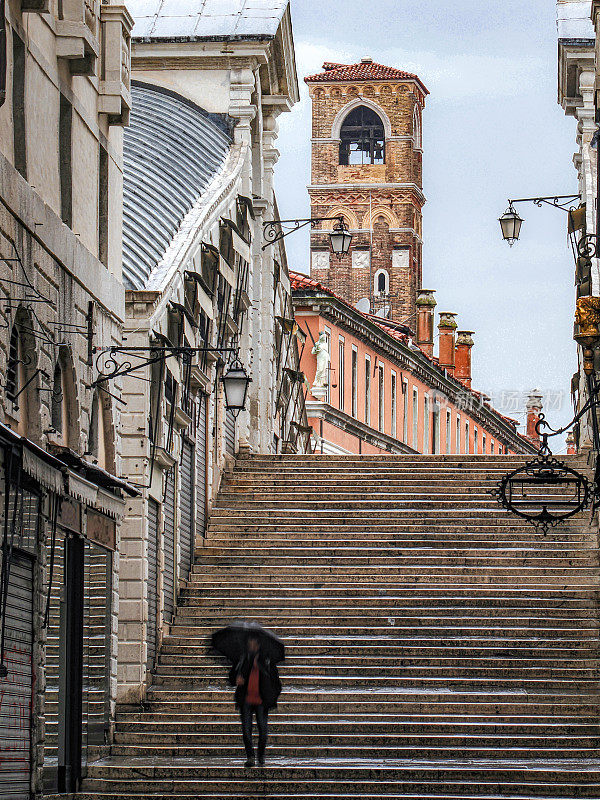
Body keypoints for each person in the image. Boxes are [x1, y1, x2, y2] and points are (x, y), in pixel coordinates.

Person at [229, 634, 282, 768]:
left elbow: (277, 683)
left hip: (261, 700)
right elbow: (232, 676)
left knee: (262, 730)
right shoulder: (243, 659)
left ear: (259, 645)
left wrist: (271, 697)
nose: (252, 645)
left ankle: (261, 755)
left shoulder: (266, 661)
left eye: (254, 643)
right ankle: (250, 756)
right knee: (246, 730)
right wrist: (236, 679)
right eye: (250, 643)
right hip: (245, 699)